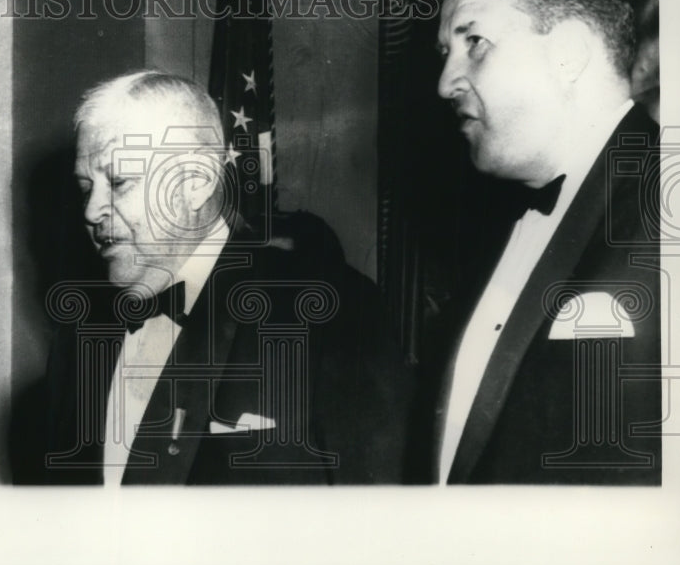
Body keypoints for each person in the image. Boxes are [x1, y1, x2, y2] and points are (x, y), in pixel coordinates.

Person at [23, 70, 404, 484]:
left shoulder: (327, 313)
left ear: (197, 182)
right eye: (85, 188)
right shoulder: (76, 344)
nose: (91, 211)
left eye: (119, 182)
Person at [408, 0, 661, 484]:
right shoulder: (497, 224)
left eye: (474, 42)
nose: (445, 82)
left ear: (568, 52)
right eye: (445, 54)